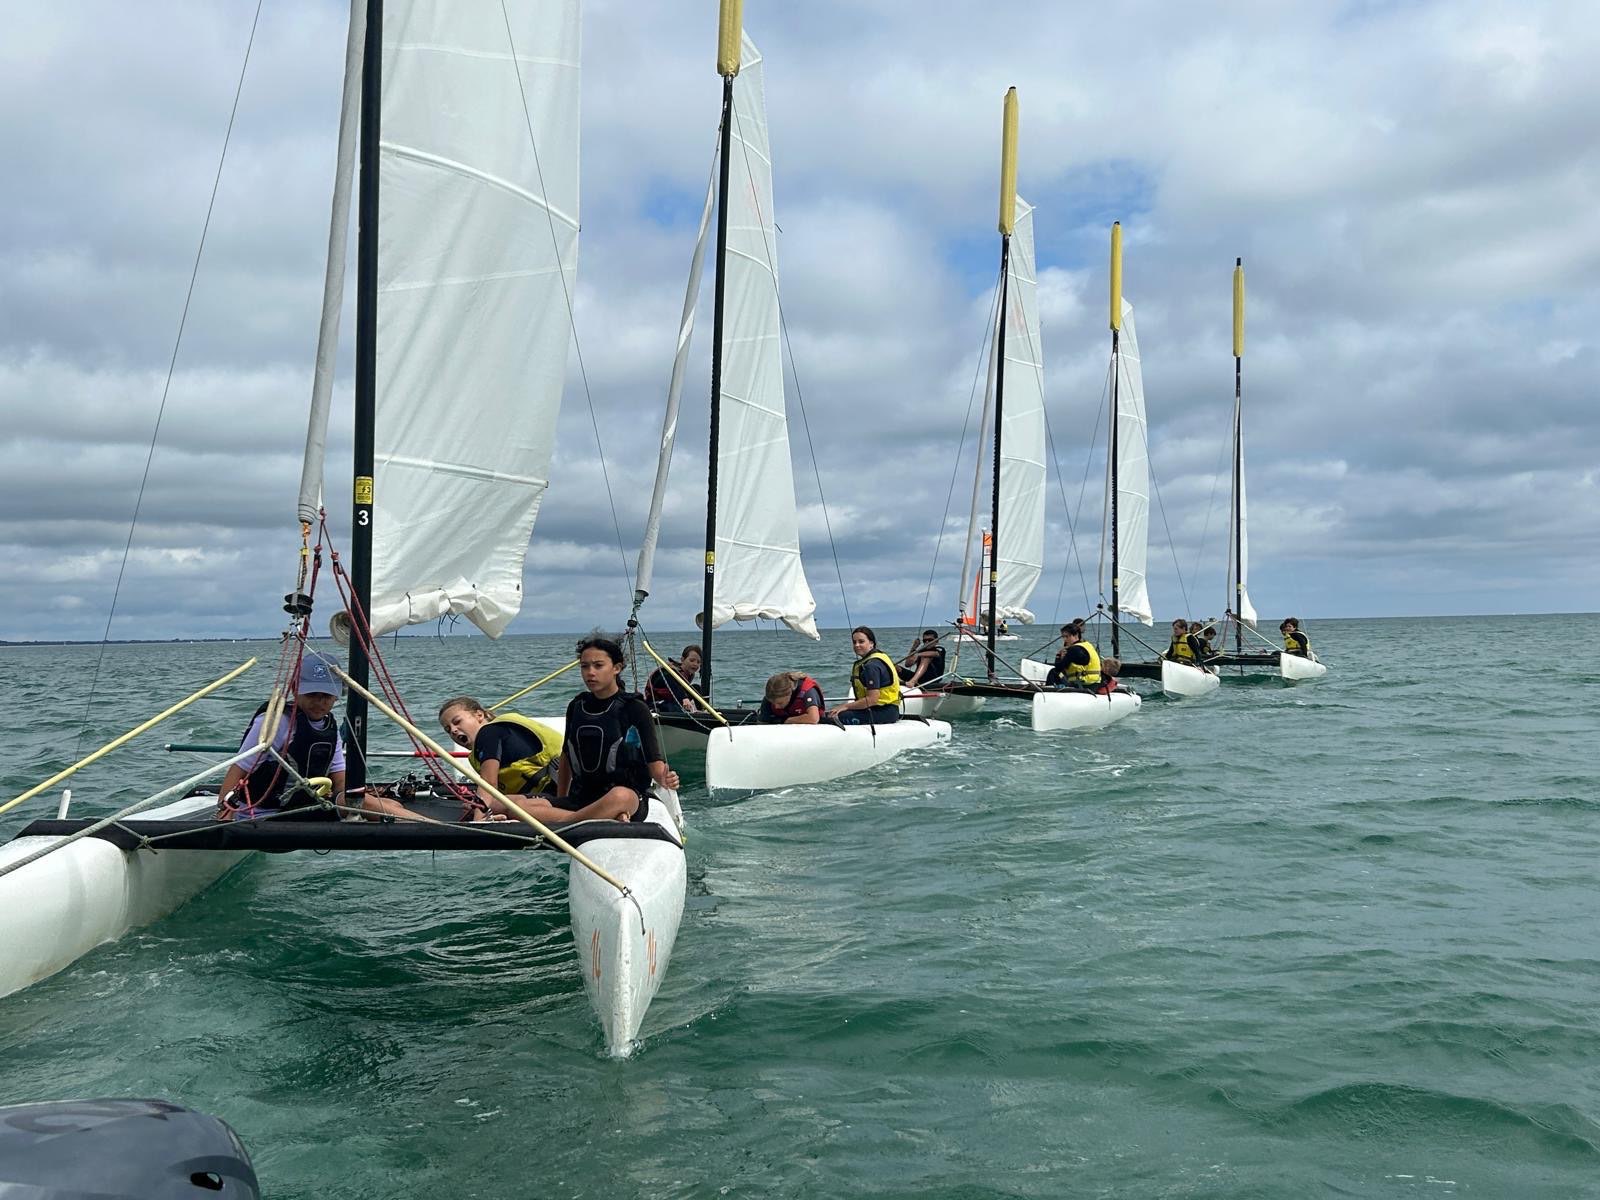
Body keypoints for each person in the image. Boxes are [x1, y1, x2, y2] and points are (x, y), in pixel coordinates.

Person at [554, 635, 680, 823]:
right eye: (584, 666)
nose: (590, 672)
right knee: (513, 803)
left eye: (598, 666)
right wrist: (560, 799)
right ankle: (590, 817)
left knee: (620, 796)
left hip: (626, 798)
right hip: (582, 798)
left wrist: (665, 779)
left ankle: (563, 820)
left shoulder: (635, 708)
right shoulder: (576, 706)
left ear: (616, 668)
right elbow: (566, 756)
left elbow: (654, 763)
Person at [215, 653, 347, 821]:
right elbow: (238, 771)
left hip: (302, 810)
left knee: (360, 800)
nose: (319, 702)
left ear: (337, 695)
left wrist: (345, 802)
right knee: (364, 803)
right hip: (261, 816)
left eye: (326, 696)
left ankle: (390, 817)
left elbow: (340, 778)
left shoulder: (330, 728)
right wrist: (223, 822)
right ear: (295, 689)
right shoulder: (276, 722)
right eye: (311, 694)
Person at [828, 626, 901, 725]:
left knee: (832, 717)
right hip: (887, 709)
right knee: (831, 713)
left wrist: (845, 706)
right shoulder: (877, 658)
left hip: (884, 712)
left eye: (861, 641)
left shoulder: (872, 666)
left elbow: (872, 699)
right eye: (854, 642)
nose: (857, 645)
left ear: (871, 644)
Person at [1044, 624, 1104, 691]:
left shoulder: (1074, 649)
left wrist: (1058, 656)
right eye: (1063, 637)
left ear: (1076, 635)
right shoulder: (1088, 645)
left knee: (1054, 672)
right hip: (1095, 684)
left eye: (1067, 637)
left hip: (1082, 684)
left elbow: (1058, 668)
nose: (1064, 639)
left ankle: (1048, 692)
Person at [645, 645, 702, 713]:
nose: (695, 664)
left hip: (673, 700)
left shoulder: (689, 674)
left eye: (698, 662)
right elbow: (672, 683)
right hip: (656, 702)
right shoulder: (669, 671)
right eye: (692, 660)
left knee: (696, 688)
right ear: (682, 660)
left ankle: (700, 711)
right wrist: (684, 698)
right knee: (674, 708)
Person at [758, 671, 825, 724]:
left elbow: (813, 718)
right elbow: (762, 722)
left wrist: (786, 720)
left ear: (789, 694)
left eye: (780, 703)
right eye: (773, 703)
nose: (776, 707)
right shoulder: (770, 697)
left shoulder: (807, 691)